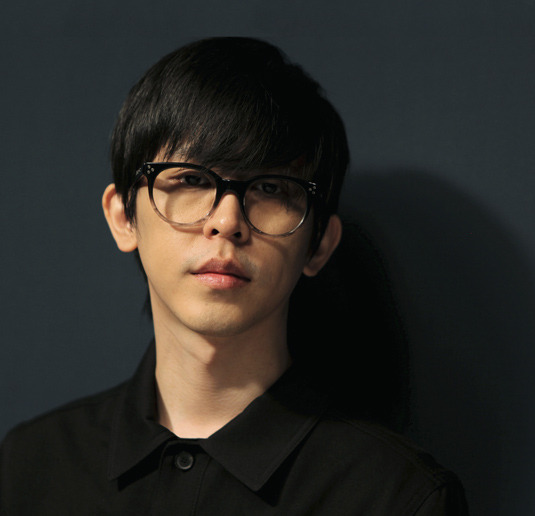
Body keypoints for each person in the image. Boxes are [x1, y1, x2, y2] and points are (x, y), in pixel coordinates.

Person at [0, 37, 468, 515]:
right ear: (124, 218)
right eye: (191, 179)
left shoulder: (397, 497)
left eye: (270, 187)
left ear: (320, 244)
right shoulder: (30, 466)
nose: (227, 222)